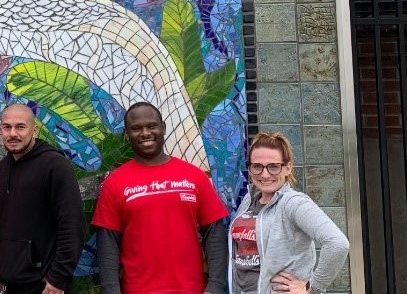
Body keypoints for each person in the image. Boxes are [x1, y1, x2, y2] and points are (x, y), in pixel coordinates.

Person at [92, 102, 228, 294]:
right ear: (126, 134)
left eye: (151, 126)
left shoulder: (194, 176)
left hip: (192, 289)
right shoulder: (114, 183)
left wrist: (214, 287)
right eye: (136, 128)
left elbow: (214, 233)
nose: (145, 133)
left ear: (163, 128)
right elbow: (108, 245)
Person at [230, 132, 349, 294]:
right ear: (250, 169)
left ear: (287, 168)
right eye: (257, 166)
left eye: (273, 166)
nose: (264, 174)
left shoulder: (294, 203)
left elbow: (338, 244)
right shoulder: (249, 200)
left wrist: (312, 288)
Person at [0, 103, 84, 294]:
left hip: (46, 284)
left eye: (20, 127)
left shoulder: (55, 166)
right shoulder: (1, 169)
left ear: (34, 130)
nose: (13, 133)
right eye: (7, 127)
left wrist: (58, 278)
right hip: (10, 284)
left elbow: (72, 225)